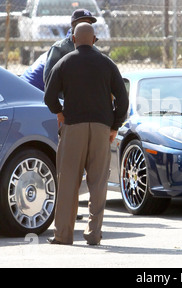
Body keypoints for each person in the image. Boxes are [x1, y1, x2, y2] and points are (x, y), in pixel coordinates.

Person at [44, 23, 129, 245]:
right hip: (101, 128)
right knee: (98, 182)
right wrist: (114, 126)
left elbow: (48, 95)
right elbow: (123, 99)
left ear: (73, 39)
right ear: (94, 40)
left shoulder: (64, 62)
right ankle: (93, 234)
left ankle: (63, 235)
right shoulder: (107, 64)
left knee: (68, 181)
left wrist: (60, 113)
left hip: (73, 127)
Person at [43, 8, 98, 88]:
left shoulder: (95, 51)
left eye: (89, 23)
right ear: (73, 25)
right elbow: (49, 79)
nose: (86, 26)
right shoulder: (59, 49)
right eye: (82, 22)